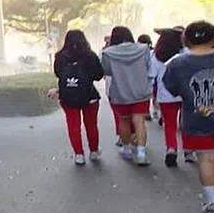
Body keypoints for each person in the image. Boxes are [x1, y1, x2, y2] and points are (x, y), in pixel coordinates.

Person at [162, 21, 214, 213]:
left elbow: (172, 88)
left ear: (186, 39)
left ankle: (213, 202)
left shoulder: (177, 63)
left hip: (197, 118)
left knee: (206, 158)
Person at [101, 26, 153, 165]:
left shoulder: (108, 53)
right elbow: (148, 67)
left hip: (120, 91)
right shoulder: (143, 49)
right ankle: (141, 152)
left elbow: (106, 71)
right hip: (141, 90)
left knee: (124, 120)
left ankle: (126, 149)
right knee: (139, 121)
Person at [53, 30, 106, 165]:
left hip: (68, 96)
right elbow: (99, 75)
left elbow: (58, 74)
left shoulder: (60, 56)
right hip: (89, 95)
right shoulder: (90, 55)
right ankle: (93, 151)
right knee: (91, 125)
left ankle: (79, 154)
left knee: (73, 126)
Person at [150, 29, 184, 167]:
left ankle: (171, 148)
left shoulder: (156, 56)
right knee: (186, 124)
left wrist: (153, 96)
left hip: (166, 95)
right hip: (184, 94)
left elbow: (152, 76)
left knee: (169, 125)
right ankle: (189, 150)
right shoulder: (185, 54)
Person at [138, 33, 155, 121]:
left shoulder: (139, 52)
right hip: (153, 74)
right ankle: (155, 111)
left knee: (146, 95)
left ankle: (146, 111)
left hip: (143, 75)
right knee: (153, 93)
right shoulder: (154, 51)